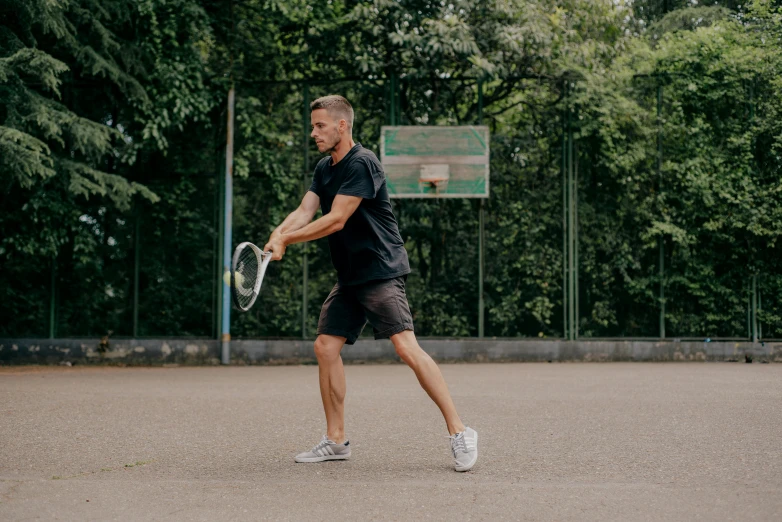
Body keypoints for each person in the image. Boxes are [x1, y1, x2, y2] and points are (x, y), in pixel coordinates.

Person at [264, 95, 478, 472]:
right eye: (313, 126)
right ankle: (335, 440)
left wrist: (288, 241)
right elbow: (305, 210)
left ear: (341, 126)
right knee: (325, 347)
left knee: (406, 347)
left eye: (320, 125)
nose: (313, 132)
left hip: (380, 270)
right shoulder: (323, 168)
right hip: (349, 277)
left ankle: (460, 431)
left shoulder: (362, 163)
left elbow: (335, 220)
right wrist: (278, 233)